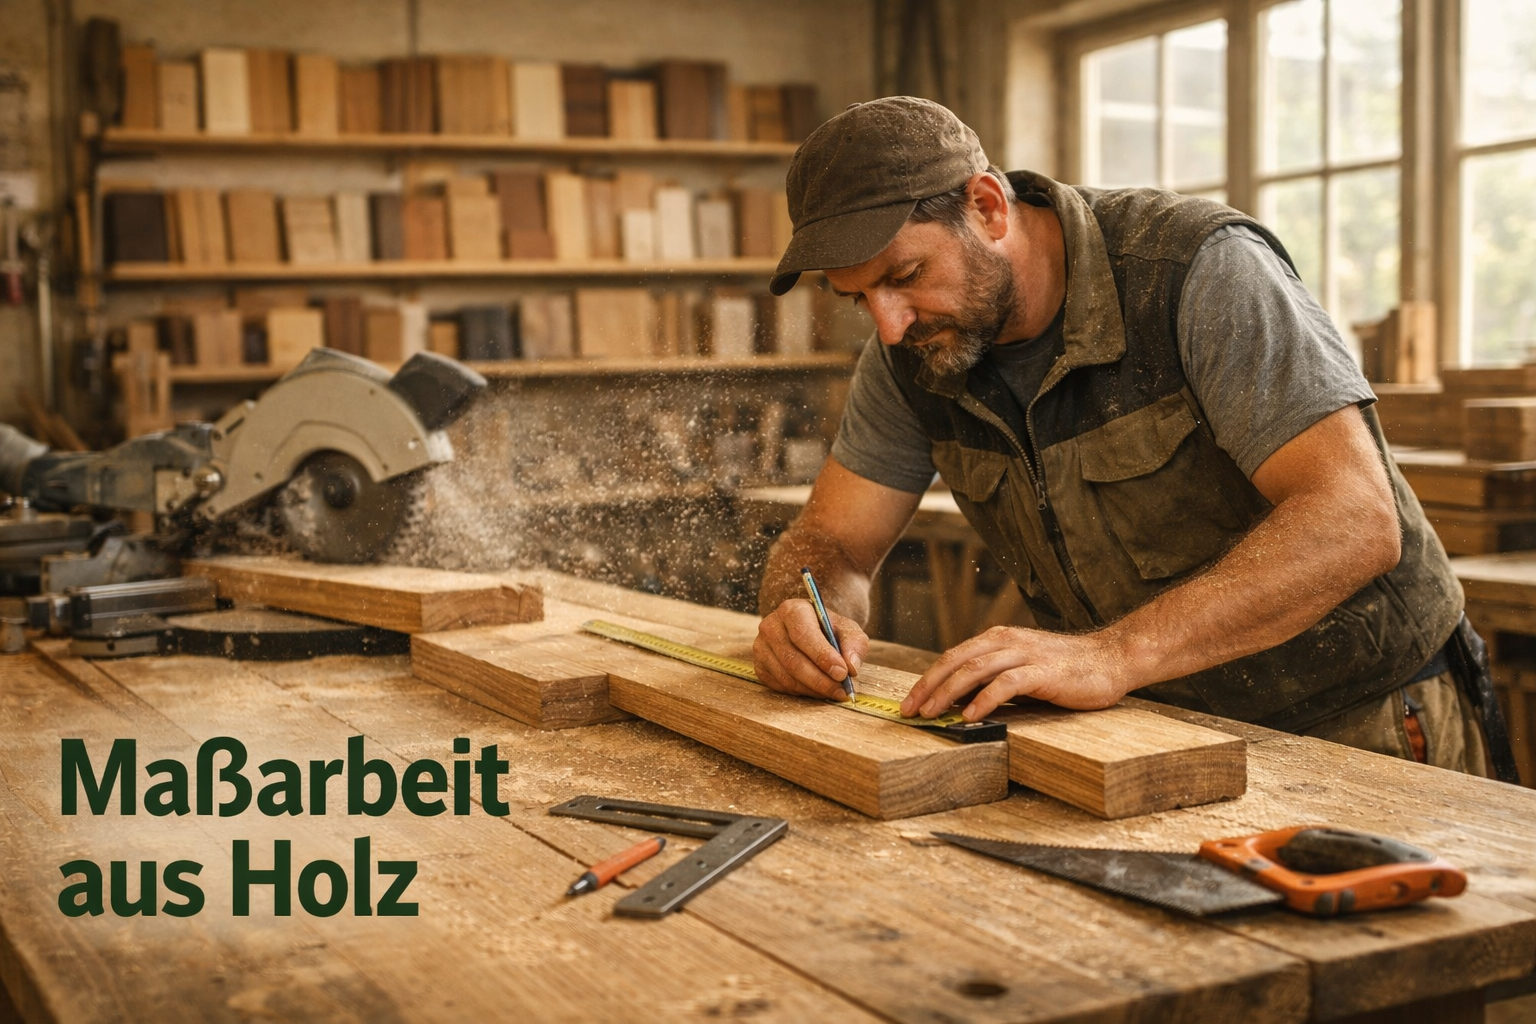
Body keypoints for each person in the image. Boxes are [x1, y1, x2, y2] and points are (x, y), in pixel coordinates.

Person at [752, 95, 1515, 778]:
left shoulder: (1194, 271)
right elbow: (835, 542)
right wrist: (806, 615)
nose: (889, 323)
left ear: (987, 207)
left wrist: (1114, 653)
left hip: (1358, 720)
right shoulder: (911, 350)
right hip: (1152, 733)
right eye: (859, 300)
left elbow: (1354, 521)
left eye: (906, 274)